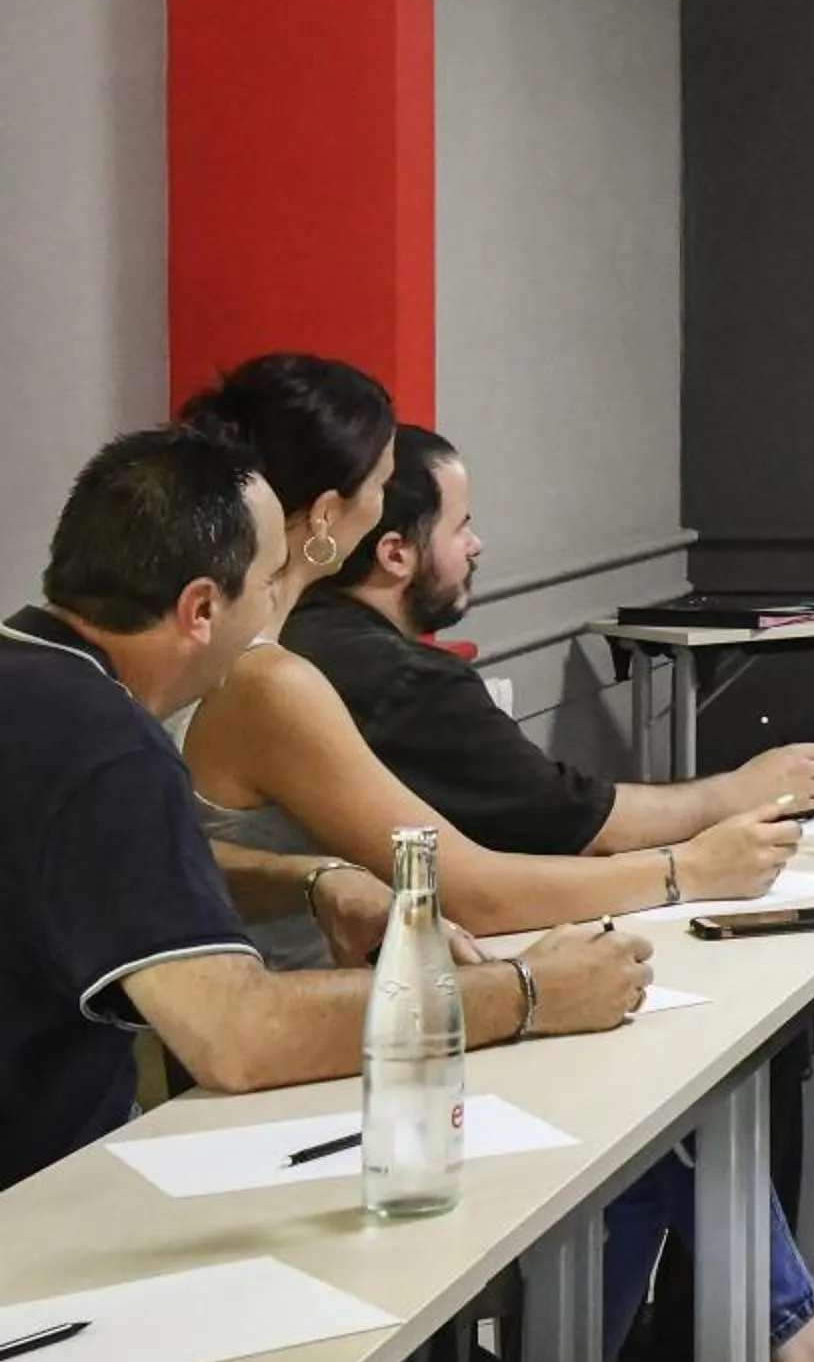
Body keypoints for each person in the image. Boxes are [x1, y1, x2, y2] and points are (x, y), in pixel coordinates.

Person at [274, 422, 814, 1362]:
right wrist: (692, 864)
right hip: (372, 1040)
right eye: (463, 523)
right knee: (676, 1101)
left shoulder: (317, 659)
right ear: (381, 545)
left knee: (680, 1112)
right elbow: (530, 839)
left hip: (404, 999)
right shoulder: (342, 675)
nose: (478, 545)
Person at [0, 426, 650, 1194]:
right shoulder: (107, 744)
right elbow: (237, 1038)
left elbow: (91, 867)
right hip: (42, 1207)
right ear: (202, 607)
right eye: (272, 578)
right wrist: (527, 994)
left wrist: (311, 881)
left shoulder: (31, 680)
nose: (283, 603)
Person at [175, 356, 802, 945]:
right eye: (382, 481)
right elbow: (471, 891)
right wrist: (686, 869)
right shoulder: (270, 679)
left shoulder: (235, 644)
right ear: (327, 515)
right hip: (321, 1027)